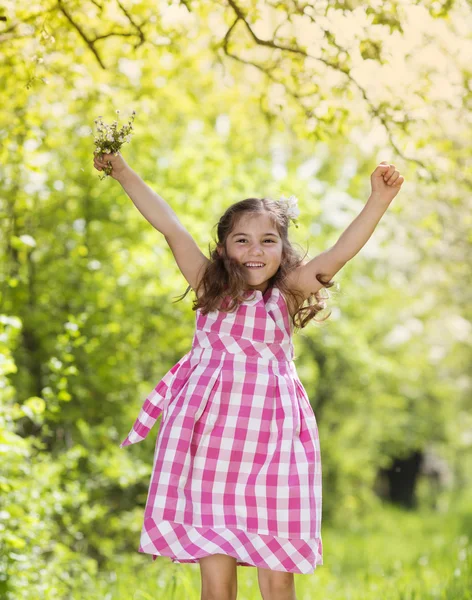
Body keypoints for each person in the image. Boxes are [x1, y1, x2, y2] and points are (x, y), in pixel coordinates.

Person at [93, 151, 404, 600]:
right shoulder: (206, 284)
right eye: (242, 240)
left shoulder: (289, 294)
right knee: (217, 582)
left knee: (277, 575)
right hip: (208, 444)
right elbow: (170, 226)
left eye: (267, 241)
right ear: (222, 248)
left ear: (283, 250)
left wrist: (379, 199)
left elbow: (341, 251)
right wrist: (122, 171)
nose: (255, 251)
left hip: (274, 444)